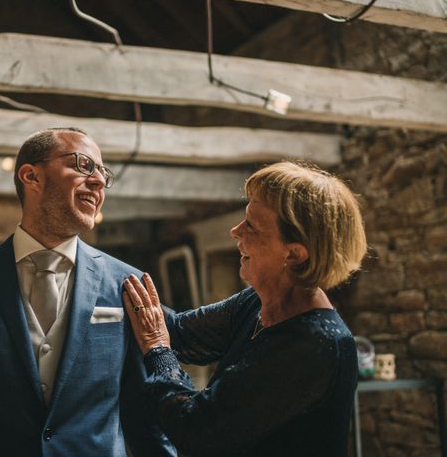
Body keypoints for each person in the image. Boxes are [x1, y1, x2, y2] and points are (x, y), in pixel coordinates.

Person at [0, 128, 176, 456]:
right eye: (84, 165)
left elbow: (146, 421)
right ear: (31, 176)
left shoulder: (127, 283)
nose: (98, 181)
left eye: (103, 173)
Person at [123, 161, 367, 457]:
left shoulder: (316, 343)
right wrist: (109, 278)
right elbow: (177, 331)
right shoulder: (255, 302)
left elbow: (196, 429)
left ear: (294, 253)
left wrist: (158, 351)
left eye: (251, 225)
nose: (235, 231)